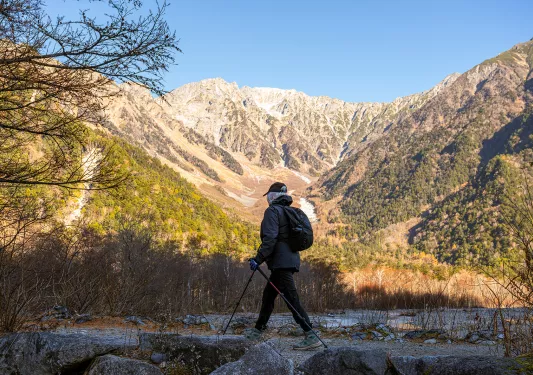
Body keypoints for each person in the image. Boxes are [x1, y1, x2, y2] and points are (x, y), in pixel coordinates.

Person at [245, 182, 321, 350]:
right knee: (268, 296)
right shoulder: (290, 211)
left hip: (281, 263)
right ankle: (258, 330)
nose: (268, 200)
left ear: (272, 196)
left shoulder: (272, 211)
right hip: (289, 260)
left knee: (291, 298)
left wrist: (258, 259)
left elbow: (270, 238)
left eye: (269, 196)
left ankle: (311, 335)